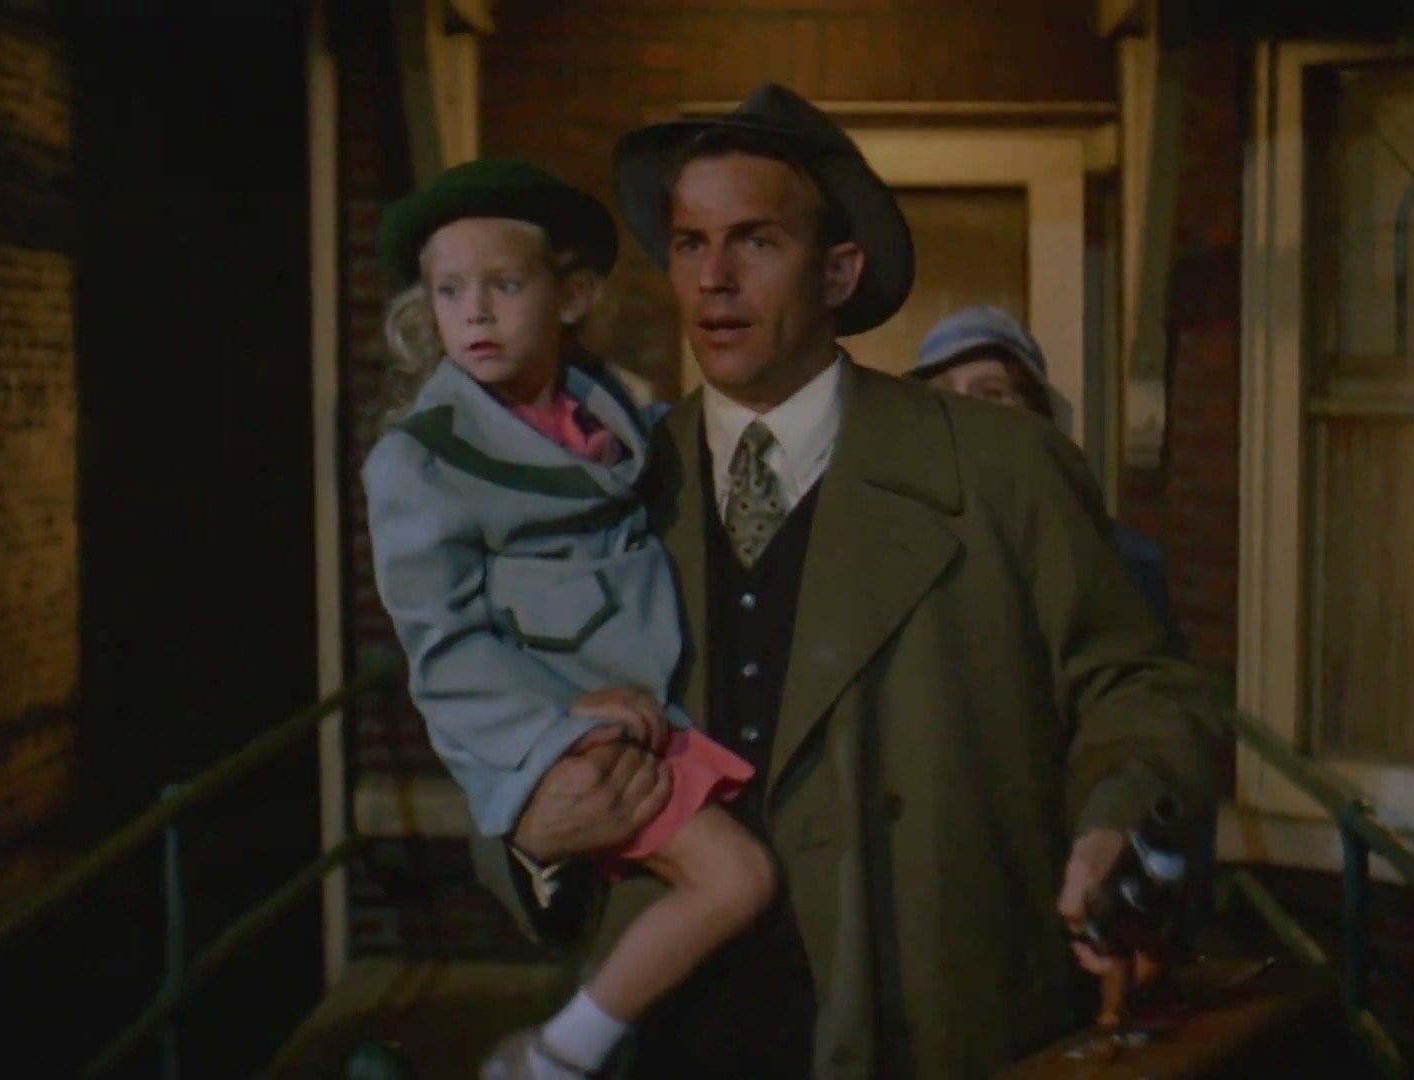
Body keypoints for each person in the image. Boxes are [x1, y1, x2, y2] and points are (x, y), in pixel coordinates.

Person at [469, 84, 1223, 1077]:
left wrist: (1117, 821)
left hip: (927, 1029)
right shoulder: (600, 493)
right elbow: (502, 735)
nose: (715, 279)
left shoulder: (1000, 471)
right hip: (670, 1041)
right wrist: (533, 838)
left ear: (838, 271)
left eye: (756, 241)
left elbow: (1139, 688)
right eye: (691, 244)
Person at [359, 157, 783, 1080]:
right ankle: (554, 1057)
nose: (475, 313)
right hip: (557, 739)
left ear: (572, 296)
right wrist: (562, 725)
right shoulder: (419, 462)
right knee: (737, 878)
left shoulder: (610, 418)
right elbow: (445, 644)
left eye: (505, 286)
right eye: (450, 292)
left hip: (646, 711)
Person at [909, 305, 1187, 656]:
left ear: (1036, 417)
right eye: (943, 395)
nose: (963, 412)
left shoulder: (1119, 560)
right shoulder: (899, 554)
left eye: (990, 394)